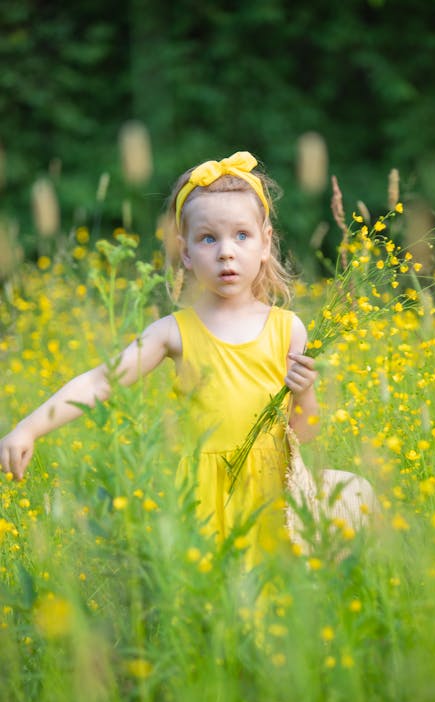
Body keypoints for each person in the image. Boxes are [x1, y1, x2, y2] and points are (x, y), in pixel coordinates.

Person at [0, 151, 318, 562]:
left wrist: (306, 392)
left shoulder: (288, 329)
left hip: (272, 492)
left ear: (265, 243)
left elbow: (304, 433)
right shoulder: (174, 332)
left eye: (241, 235)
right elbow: (100, 381)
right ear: (185, 253)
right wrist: (28, 428)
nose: (226, 252)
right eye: (208, 238)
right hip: (200, 496)